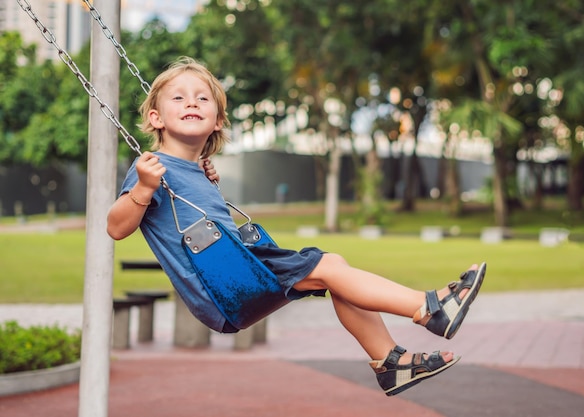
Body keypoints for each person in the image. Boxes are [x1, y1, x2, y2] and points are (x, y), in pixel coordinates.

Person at [107, 57, 487, 396]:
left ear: (218, 120)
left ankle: (391, 363)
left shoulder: (198, 171)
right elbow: (116, 227)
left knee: (332, 268)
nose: (191, 102)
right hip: (223, 288)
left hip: (241, 272)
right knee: (327, 267)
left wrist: (205, 175)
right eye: (178, 98)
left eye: (202, 98)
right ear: (155, 118)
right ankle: (428, 308)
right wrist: (143, 187)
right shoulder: (151, 169)